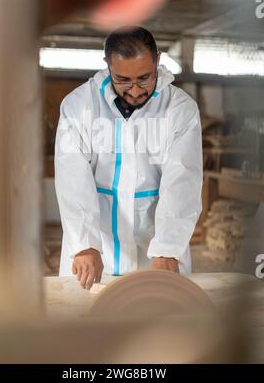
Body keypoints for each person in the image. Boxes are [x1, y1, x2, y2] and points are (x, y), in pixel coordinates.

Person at [55, 26, 203, 290]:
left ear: (158, 60)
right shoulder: (79, 105)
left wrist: (168, 249)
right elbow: (71, 177)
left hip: (155, 250)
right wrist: (85, 244)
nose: (135, 91)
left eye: (144, 78)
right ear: (107, 65)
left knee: (160, 326)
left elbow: (183, 180)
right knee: (85, 324)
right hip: (95, 251)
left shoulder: (180, 110)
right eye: (123, 80)